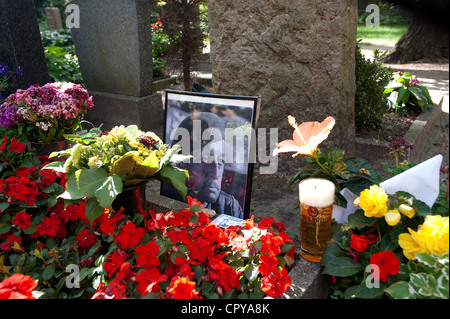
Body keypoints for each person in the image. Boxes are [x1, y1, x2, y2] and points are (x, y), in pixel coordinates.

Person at [162, 112, 244, 219]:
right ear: (181, 163)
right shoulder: (168, 198)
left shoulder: (230, 206)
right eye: (205, 160)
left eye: (220, 161)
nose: (215, 174)